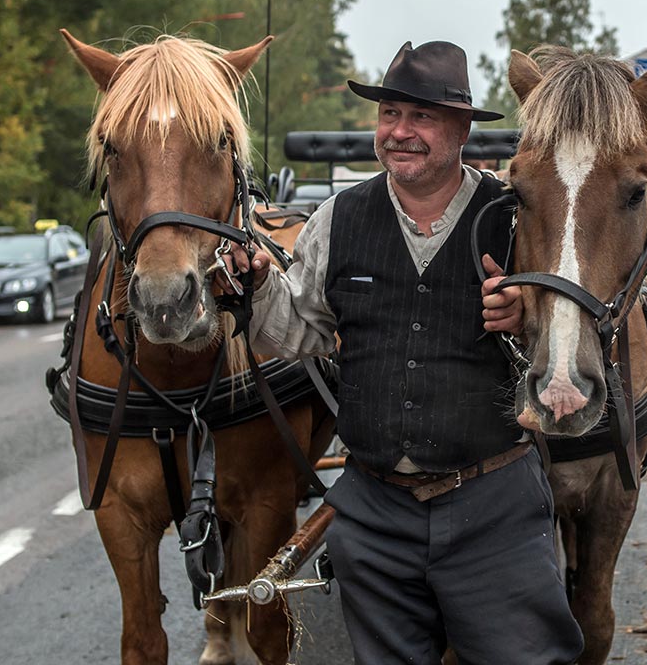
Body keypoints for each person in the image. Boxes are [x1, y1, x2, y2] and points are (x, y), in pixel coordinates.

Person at [225, 41, 584, 664]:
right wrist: (255, 288)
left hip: (493, 509)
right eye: (390, 114)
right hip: (374, 513)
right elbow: (298, 332)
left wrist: (527, 317)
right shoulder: (339, 218)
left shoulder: (516, 217)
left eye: (421, 117)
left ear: (463, 129)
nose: (400, 132)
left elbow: (574, 328)